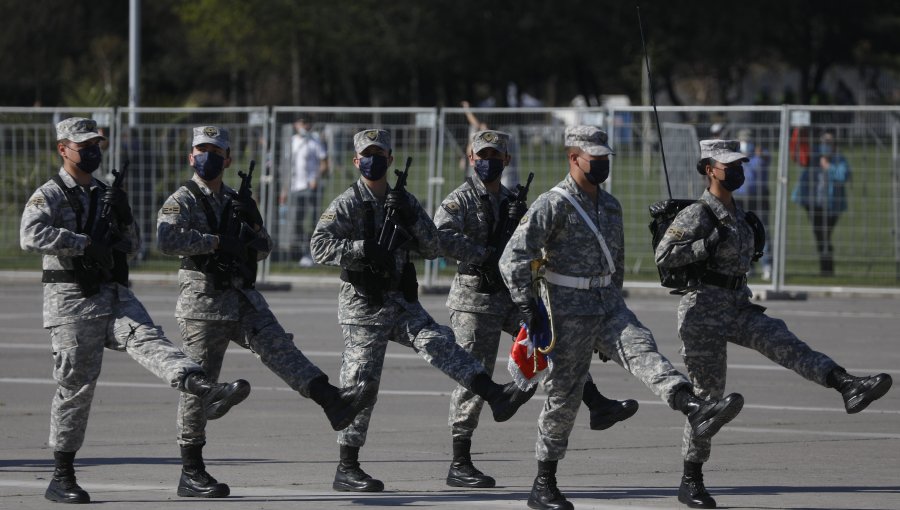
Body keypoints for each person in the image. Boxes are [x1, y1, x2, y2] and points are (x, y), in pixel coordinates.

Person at [499, 126, 745, 510]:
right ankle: (544, 482)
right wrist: (527, 306)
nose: (600, 164)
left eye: (604, 158)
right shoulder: (554, 203)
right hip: (565, 309)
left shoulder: (611, 205)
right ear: (573, 158)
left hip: (607, 304)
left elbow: (616, 264)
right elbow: (512, 257)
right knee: (564, 395)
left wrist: (611, 313)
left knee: (643, 349)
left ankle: (693, 407)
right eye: (593, 158)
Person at [21, 118, 251, 504]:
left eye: (96, 144)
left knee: (149, 338)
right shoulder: (50, 194)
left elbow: (131, 246)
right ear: (63, 149)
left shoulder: (104, 191)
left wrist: (124, 216)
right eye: (83, 145)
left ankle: (203, 387)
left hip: (112, 292)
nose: (92, 151)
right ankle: (62, 476)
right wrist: (81, 243)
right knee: (76, 387)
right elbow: (30, 235)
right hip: (71, 299)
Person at [655, 139, 892, 509]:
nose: (737, 171)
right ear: (709, 169)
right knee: (708, 400)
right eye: (729, 165)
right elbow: (664, 256)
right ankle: (691, 479)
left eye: (740, 164)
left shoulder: (743, 217)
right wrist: (706, 245)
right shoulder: (698, 214)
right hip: (701, 311)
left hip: (737, 305)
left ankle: (847, 384)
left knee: (785, 342)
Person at [310, 128, 535, 493]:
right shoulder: (348, 203)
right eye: (367, 154)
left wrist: (410, 220)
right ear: (356, 161)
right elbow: (319, 246)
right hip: (362, 307)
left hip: (400, 302)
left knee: (440, 343)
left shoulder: (404, 200)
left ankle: (495, 395)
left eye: (379, 152)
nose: (373, 159)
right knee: (361, 385)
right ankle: (347, 466)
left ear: (390, 159)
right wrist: (361, 249)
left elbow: (432, 247)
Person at [157, 126, 376, 498]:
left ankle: (332, 400)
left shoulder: (234, 197)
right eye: (201, 150)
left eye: (215, 150)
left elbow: (263, 248)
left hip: (243, 299)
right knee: (202, 386)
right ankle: (191, 470)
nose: (207, 156)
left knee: (282, 349)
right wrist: (216, 242)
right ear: (191, 156)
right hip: (203, 304)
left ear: (227, 159)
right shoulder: (183, 199)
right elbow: (166, 239)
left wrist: (253, 222)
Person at [434, 129, 638, 489]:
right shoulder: (460, 200)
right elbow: (441, 237)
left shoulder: (516, 201)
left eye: (496, 156)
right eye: (482, 156)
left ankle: (596, 403)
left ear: (507, 161)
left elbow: (534, 245)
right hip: (474, 298)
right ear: (471, 159)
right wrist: (482, 254)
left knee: (554, 343)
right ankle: (460, 459)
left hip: (513, 297)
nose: (489, 162)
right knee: (473, 372)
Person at [791, 131, 851, 276]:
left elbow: (844, 175)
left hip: (832, 205)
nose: (826, 146)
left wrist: (829, 167)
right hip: (813, 203)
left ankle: (827, 269)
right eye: (824, 142)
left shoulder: (839, 159)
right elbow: (799, 156)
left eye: (829, 143)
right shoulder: (813, 155)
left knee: (825, 234)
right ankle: (826, 269)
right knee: (820, 234)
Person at [281, 118, 329, 266]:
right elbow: (288, 167)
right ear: (295, 125)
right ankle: (301, 251)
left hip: (310, 187)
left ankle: (313, 253)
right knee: (296, 222)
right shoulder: (292, 141)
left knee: (314, 222)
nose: (304, 126)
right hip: (295, 188)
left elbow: (324, 163)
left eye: (306, 123)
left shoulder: (314, 140)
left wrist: (315, 177)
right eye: (301, 123)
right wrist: (284, 189)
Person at [732, 128, 772, 280]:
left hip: (759, 198)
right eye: (743, 141)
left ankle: (767, 265)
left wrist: (758, 154)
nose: (746, 144)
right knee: (743, 233)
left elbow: (767, 160)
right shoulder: (735, 158)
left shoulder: (761, 156)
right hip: (741, 199)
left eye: (748, 141)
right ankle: (747, 265)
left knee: (763, 231)